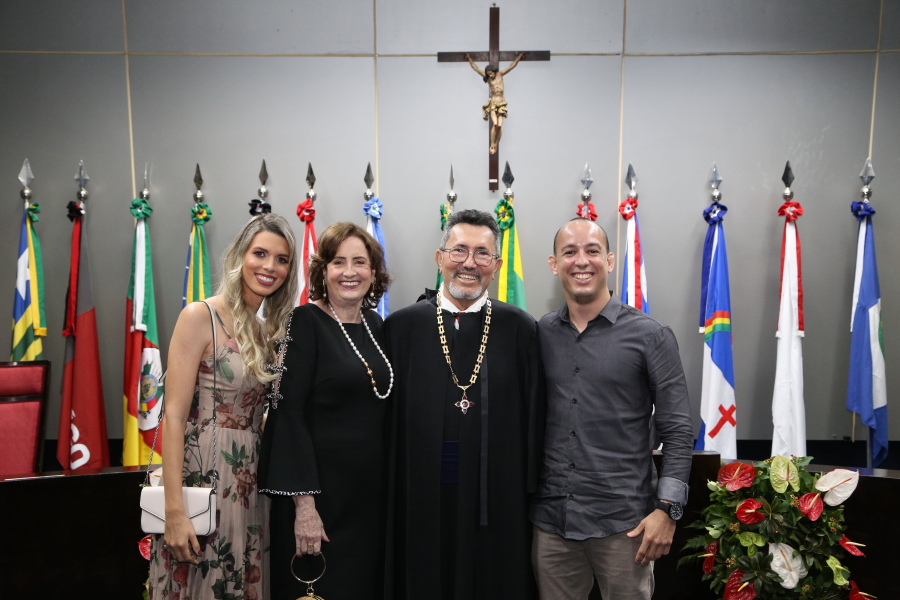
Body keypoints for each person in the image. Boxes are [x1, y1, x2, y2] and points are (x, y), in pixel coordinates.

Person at [384, 209, 544, 600]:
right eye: (459, 250)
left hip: (497, 499)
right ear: (440, 258)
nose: (469, 263)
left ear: (497, 266)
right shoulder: (401, 329)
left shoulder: (520, 329)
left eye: (482, 253)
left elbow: (535, 420)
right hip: (418, 495)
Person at [530, 218, 694, 600]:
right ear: (554, 264)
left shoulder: (651, 335)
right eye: (569, 252)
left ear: (609, 260)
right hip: (552, 524)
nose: (581, 261)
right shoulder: (539, 333)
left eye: (592, 251)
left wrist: (667, 510)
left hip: (626, 526)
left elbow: (678, 430)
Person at [149, 214, 298, 600]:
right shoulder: (200, 316)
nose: (270, 266)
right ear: (239, 255)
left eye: (281, 259)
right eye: (260, 253)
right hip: (203, 470)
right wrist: (174, 510)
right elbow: (173, 417)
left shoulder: (268, 331)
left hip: (251, 478)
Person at [259, 222, 393, 599]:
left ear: (374, 272)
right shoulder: (305, 322)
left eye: (360, 262)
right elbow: (287, 415)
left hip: (368, 500)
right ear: (323, 271)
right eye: (338, 262)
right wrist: (305, 506)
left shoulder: (376, 325)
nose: (350, 272)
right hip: (320, 500)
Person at [465, 52, 525, 154]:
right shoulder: (488, 78)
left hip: (501, 102)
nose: (490, 74)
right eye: (488, 73)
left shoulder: (500, 74)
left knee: (500, 125)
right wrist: (469, 59)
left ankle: (496, 143)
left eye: (490, 72)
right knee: (495, 124)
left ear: (493, 71)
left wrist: (519, 57)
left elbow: (511, 66)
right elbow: (476, 69)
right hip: (493, 102)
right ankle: (492, 144)